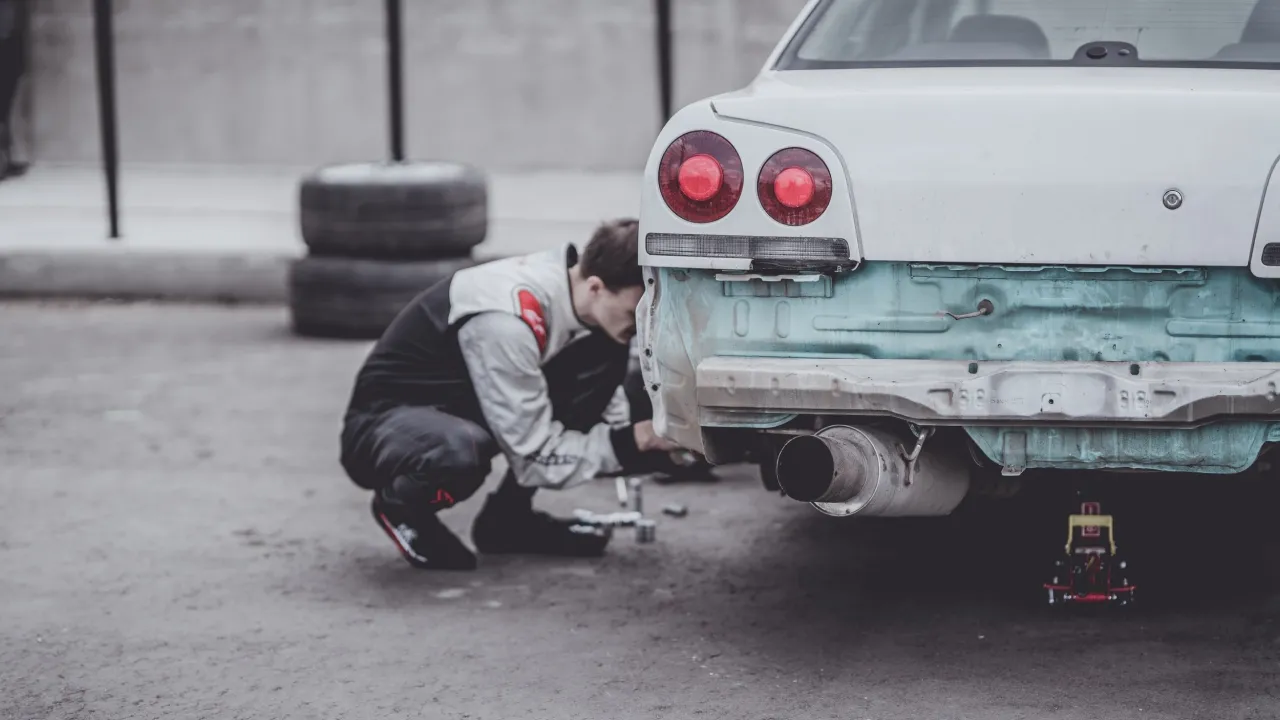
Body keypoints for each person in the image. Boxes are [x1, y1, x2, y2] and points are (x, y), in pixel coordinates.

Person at [339, 218, 681, 570]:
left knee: (604, 350)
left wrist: (654, 445)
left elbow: (602, 416)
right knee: (462, 452)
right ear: (596, 287)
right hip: (385, 427)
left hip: (463, 400)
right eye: (634, 313)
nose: (644, 328)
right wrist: (633, 441)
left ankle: (507, 521)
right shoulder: (508, 321)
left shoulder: (573, 289)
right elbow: (535, 457)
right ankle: (402, 505)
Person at [0, 0, 28, 180]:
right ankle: (4, 159)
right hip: (6, 42)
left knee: (5, 109)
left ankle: (5, 158)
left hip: (9, 42)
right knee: (3, 108)